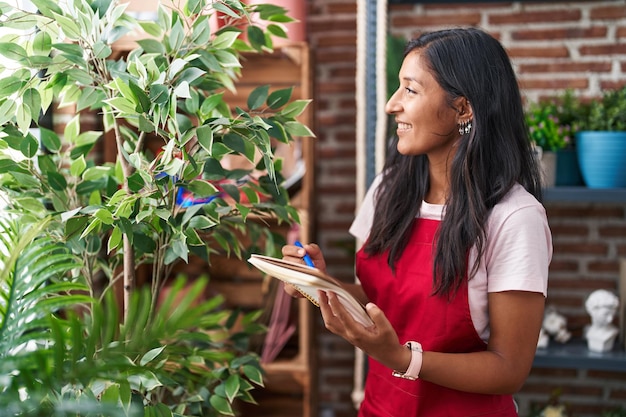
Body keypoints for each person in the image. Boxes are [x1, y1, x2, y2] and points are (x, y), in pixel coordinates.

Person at [282, 27, 552, 416]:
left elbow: (509, 368)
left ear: (462, 109)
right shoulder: (388, 190)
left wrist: (402, 359)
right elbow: (382, 301)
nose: (392, 105)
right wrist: (320, 285)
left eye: (410, 90)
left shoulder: (514, 217)